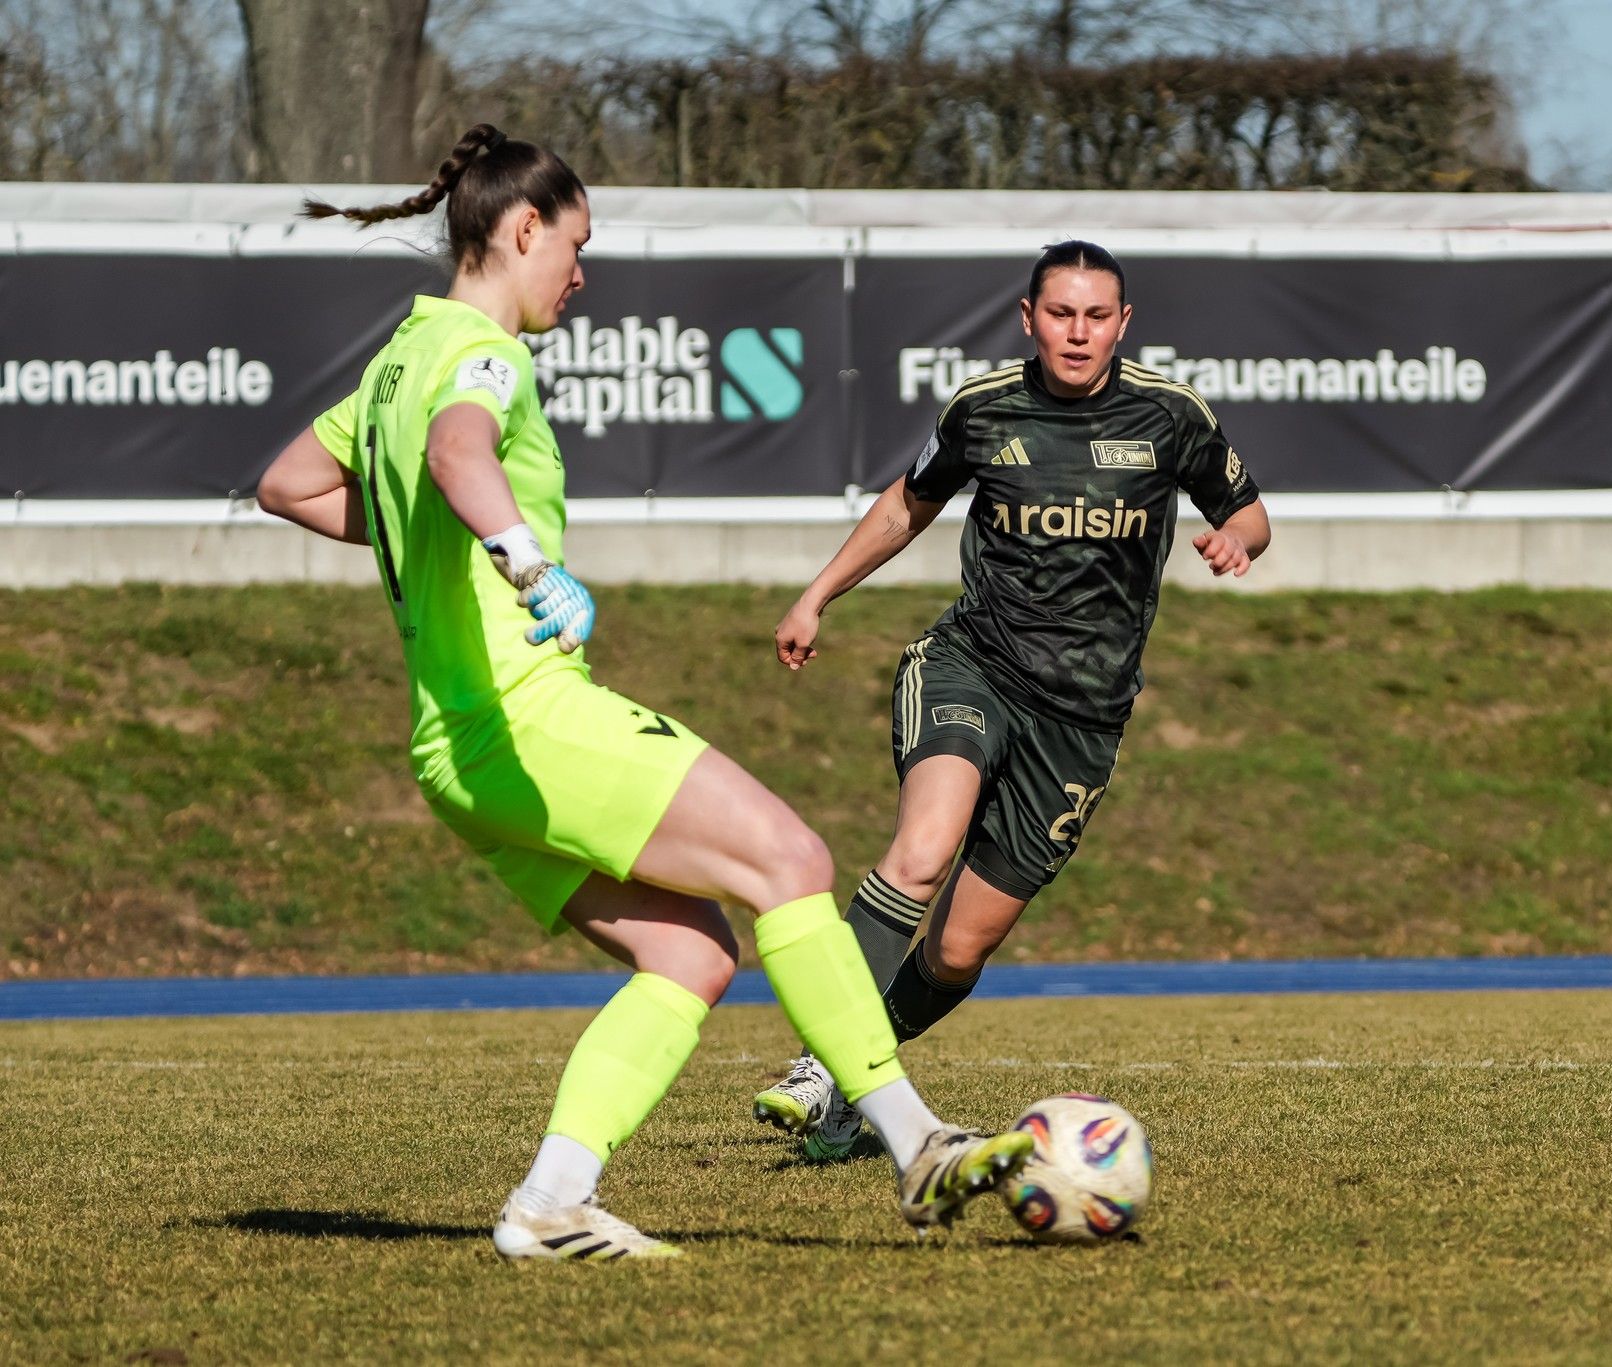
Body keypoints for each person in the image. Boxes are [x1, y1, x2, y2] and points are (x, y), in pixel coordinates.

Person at [254, 123, 1030, 1259]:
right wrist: (525, 560)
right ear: (523, 230)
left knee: (692, 957)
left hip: (453, 749)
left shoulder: (394, 363)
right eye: (574, 243)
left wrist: (442, 538)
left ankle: (548, 1202)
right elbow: (464, 454)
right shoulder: (482, 353)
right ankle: (916, 1147)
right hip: (527, 716)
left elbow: (285, 484)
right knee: (793, 861)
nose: (582, 271)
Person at [752, 240, 1271, 1158]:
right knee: (921, 849)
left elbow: (1251, 511)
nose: (1079, 332)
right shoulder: (983, 409)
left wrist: (1236, 539)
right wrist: (817, 593)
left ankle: (848, 1099)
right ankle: (823, 1063)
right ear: (1028, 319)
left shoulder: (1171, 415)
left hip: (1083, 720)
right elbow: (905, 505)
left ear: (1123, 322)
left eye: (1097, 314)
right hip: (973, 667)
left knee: (957, 952)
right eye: (1061, 313)